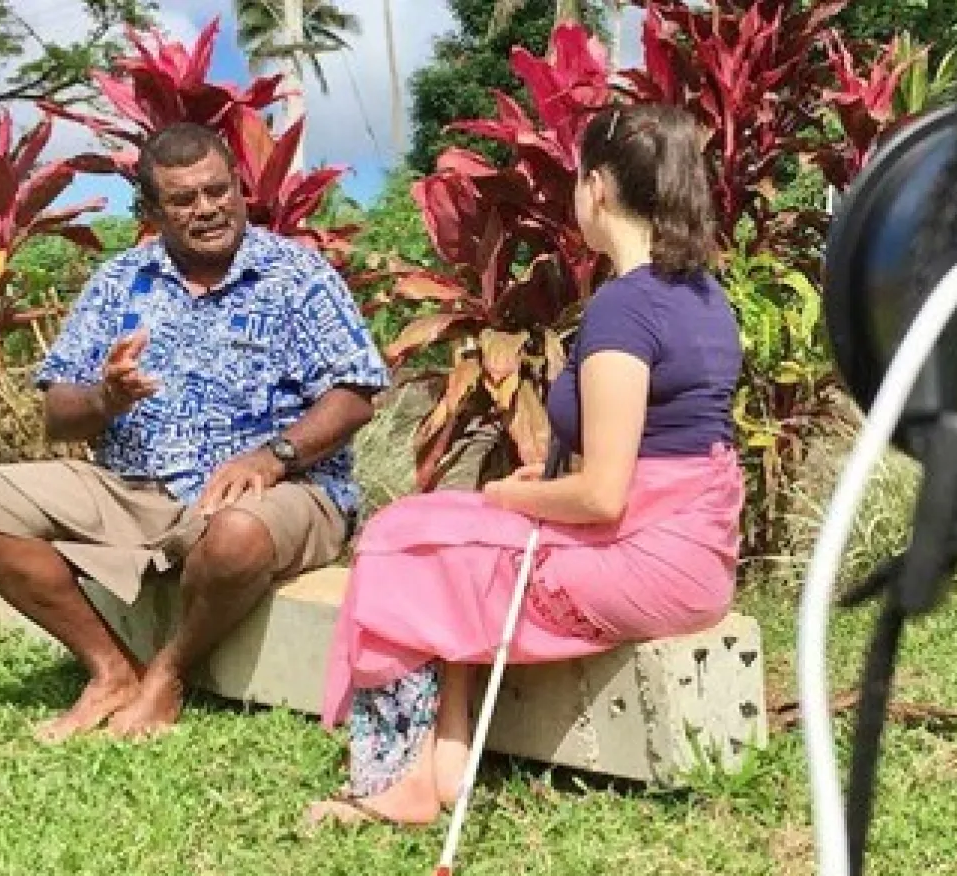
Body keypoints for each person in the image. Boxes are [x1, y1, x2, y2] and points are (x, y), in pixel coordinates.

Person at [305, 103, 746, 827]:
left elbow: (605, 495)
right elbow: (653, 458)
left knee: (400, 541)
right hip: (696, 556)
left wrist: (513, 500)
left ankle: (402, 780)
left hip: (641, 559)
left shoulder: (625, 309)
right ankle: (443, 757)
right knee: (435, 527)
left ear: (596, 187)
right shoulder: (703, 295)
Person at [0, 122, 391, 742]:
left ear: (238, 187)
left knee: (235, 537)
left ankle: (170, 674)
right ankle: (109, 670)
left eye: (218, 191)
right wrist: (107, 396)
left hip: (278, 490)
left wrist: (273, 456)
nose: (207, 209)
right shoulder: (118, 282)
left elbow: (356, 393)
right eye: (184, 200)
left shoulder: (297, 276)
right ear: (152, 210)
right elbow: (58, 413)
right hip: (133, 487)